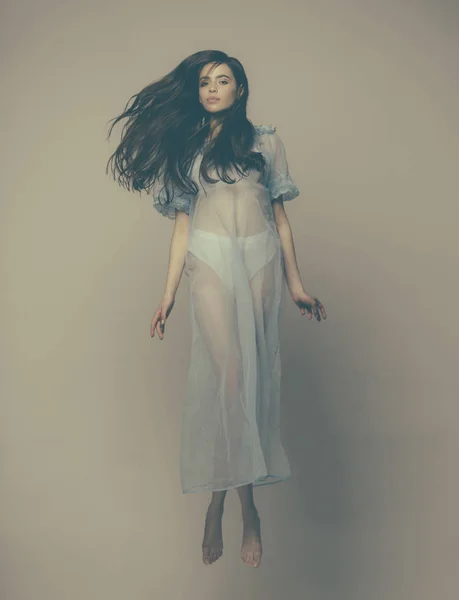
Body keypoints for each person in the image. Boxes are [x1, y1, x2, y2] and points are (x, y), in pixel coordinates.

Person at [106, 50, 327, 569]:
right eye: (204, 82)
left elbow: (281, 218)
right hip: (207, 259)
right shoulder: (185, 148)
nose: (211, 89)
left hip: (259, 261)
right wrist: (167, 295)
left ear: (240, 90)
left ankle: (235, 503)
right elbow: (181, 225)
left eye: (222, 81)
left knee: (250, 384)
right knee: (227, 380)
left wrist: (297, 285)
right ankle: (226, 503)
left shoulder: (265, 141)